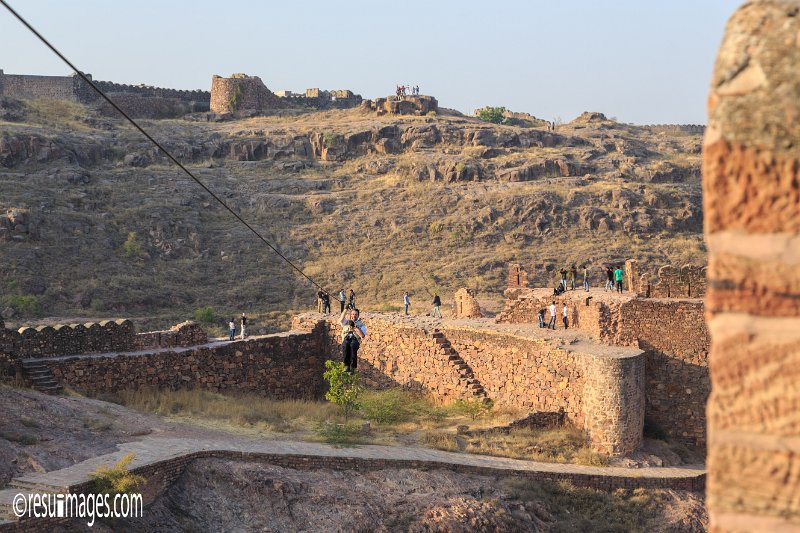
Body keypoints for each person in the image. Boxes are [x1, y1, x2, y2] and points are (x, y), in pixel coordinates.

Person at [340, 307, 366, 373]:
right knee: (345, 345)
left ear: (358, 316)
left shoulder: (361, 324)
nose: (354, 316)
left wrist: (355, 327)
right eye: (353, 314)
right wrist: (345, 309)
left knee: (352, 345)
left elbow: (362, 335)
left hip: (355, 339)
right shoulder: (346, 322)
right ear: (350, 315)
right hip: (346, 338)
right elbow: (341, 319)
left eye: (355, 314)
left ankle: (353, 367)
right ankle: (347, 365)